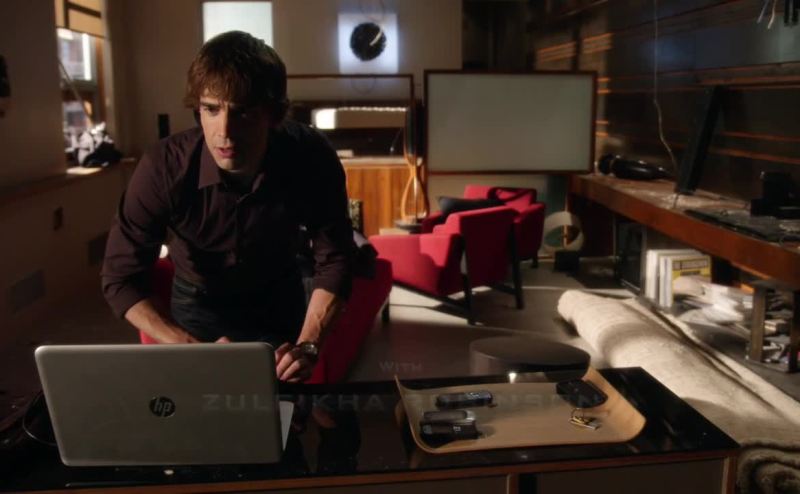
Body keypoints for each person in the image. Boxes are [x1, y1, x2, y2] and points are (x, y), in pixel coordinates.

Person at [101, 31, 355, 382]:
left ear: (273, 113)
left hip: (278, 294)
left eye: (243, 112)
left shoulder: (310, 156)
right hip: (197, 301)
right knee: (200, 408)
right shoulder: (163, 167)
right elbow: (120, 278)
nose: (225, 132)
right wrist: (186, 345)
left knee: (284, 408)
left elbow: (336, 257)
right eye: (211, 109)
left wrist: (309, 344)